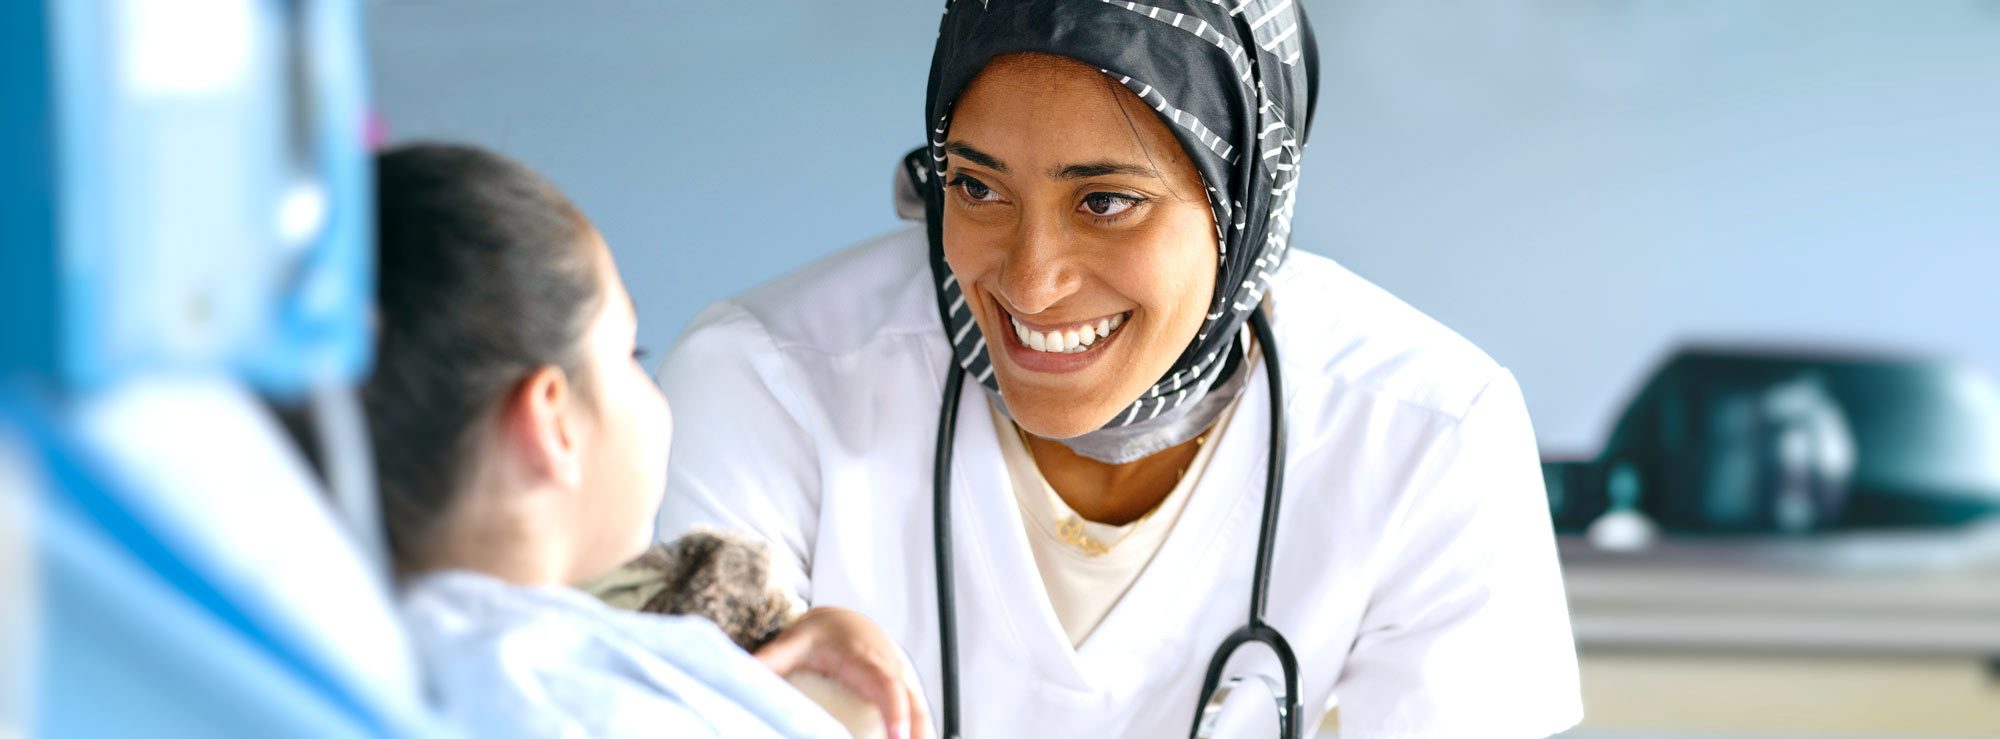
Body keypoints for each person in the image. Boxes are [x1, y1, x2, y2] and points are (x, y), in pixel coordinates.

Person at [655, 2, 1583, 737]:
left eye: (1105, 201)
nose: (1030, 279)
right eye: (977, 186)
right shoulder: (767, 379)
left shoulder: (1430, 428)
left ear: (1244, 198)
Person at [365, 142, 930, 738]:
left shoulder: (359, 651)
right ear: (553, 422)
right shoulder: (584, 704)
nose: (651, 387)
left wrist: (797, 632)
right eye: (630, 354)